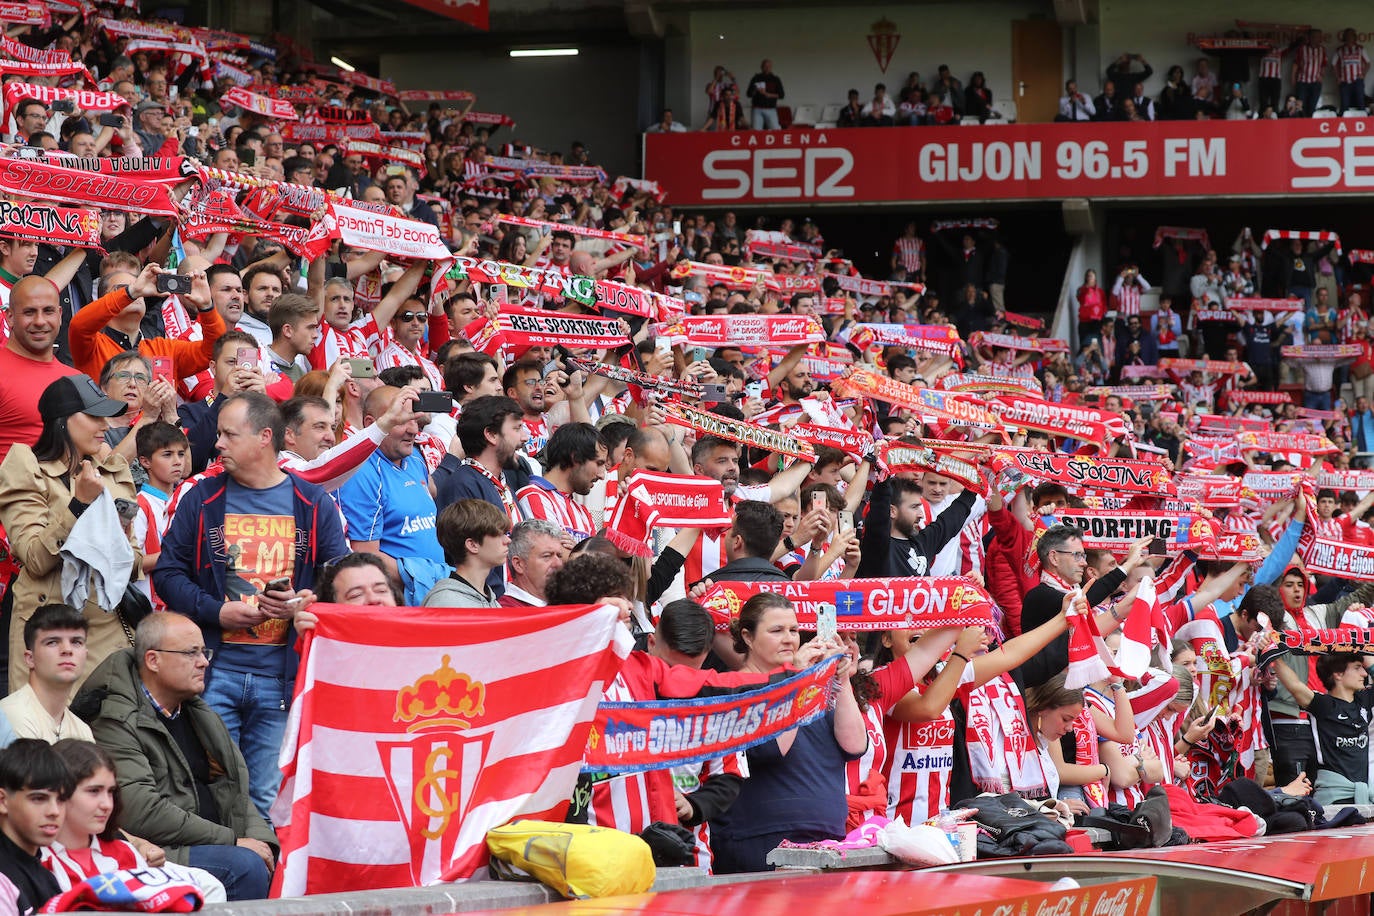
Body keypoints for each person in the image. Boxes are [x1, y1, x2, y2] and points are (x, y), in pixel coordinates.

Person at [152, 392, 346, 819]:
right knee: (208, 796)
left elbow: (340, 582)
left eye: (228, 434)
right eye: (218, 433)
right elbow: (166, 573)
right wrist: (214, 610)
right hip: (212, 671)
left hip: (281, 677)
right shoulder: (201, 498)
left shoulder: (314, 505)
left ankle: (258, 883)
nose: (216, 444)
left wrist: (305, 601)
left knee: (264, 802)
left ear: (264, 438)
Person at [78, 614, 277, 900]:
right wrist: (233, 840)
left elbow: (235, 789)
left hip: (205, 841)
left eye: (203, 651)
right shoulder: (116, 719)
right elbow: (140, 810)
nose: (204, 661)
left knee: (271, 856)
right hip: (156, 849)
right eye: (190, 653)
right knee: (244, 866)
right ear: (153, 660)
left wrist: (260, 840)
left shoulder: (198, 713)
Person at [0, 375, 140, 692]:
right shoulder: (27, 467)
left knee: (106, 739)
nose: (104, 425)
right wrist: (79, 505)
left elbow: (132, 564)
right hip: (51, 633)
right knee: (46, 738)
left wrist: (119, 541)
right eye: (93, 416)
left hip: (106, 634)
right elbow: (35, 558)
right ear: (62, 421)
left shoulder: (110, 472)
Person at [708, 593, 864, 873]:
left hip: (826, 840)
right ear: (748, 637)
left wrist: (840, 677)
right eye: (776, 631)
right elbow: (770, 748)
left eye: (793, 630)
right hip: (758, 840)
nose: (789, 639)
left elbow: (854, 745)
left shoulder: (811, 683)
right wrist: (797, 680)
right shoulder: (732, 686)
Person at [42, 739, 225, 902]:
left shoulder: (125, 852)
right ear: (59, 792)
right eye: (94, 791)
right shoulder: (35, 860)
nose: (107, 804)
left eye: (111, 792)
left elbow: (209, 886)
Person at [0, 277, 82, 464]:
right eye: (29, 312)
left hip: (69, 490)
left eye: (48, 311)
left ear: (60, 314)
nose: (39, 321)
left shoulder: (76, 380)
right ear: (9, 317)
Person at [1, 606, 93, 744]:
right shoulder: (9, 717)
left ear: (85, 655)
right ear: (30, 658)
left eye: (76, 642)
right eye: (52, 642)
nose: (67, 650)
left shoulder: (83, 732)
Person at [0, 739, 68, 912]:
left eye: (61, 800)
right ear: (3, 801)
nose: (54, 811)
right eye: (38, 799)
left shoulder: (46, 874)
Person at [424, 500, 511, 608]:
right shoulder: (445, 603)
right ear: (472, 545)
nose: (508, 540)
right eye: (499, 534)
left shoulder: (493, 602)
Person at [500, 519, 566, 607]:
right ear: (518, 564)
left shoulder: (565, 606)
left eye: (559, 556)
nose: (558, 564)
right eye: (547, 556)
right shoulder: (504, 612)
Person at [746, 59, 785, 130]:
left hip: (771, 109)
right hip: (757, 109)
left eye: (769, 66)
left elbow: (781, 95)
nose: (767, 68)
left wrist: (768, 95)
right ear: (761, 67)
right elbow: (749, 94)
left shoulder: (775, 79)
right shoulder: (756, 78)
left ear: (771, 67)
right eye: (765, 66)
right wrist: (755, 90)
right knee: (757, 131)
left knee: (775, 130)